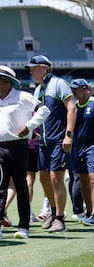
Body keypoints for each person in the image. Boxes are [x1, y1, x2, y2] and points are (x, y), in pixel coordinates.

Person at [0, 65, 50, 240]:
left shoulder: (23, 96)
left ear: (7, 81)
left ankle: (24, 226)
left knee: (20, 186)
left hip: (18, 147)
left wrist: (29, 126)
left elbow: (44, 110)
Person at [25, 55, 77, 232]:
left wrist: (68, 135)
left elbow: (72, 107)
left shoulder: (59, 83)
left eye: (34, 68)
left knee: (56, 178)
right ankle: (53, 214)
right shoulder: (38, 89)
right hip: (43, 142)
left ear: (45, 68)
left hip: (58, 140)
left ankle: (60, 219)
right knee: (44, 178)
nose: (31, 71)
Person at [69, 78, 94, 225]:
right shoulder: (75, 107)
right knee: (83, 180)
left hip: (92, 147)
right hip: (78, 148)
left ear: (86, 89)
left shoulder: (93, 103)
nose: (74, 91)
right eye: (72, 88)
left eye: (76, 88)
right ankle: (89, 212)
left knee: (92, 179)